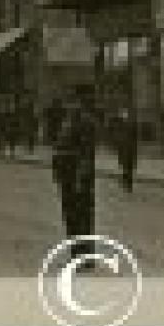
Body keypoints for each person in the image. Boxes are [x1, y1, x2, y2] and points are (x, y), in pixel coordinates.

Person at [51, 88, 100, 261]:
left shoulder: (85, 123)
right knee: (71, 216)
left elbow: (87, 154)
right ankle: (76, 253)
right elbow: (60, 149)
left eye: (73, 102)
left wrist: (81, 177)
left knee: (82, 217)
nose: (70, 105)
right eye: (69, 102)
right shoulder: (68, 122)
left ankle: (85, 256)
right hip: (67, 176)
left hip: (79, 177)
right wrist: (57, 171)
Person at [112, 104, 140, 193]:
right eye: (122, 113)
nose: (124, 114)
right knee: (125, 167)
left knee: (129, 168)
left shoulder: (132, 125)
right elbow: (117, 137)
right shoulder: (119, 125)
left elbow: (135, 138)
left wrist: (135, 151)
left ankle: (129, 185)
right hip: (123, 149)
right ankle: (125, 183)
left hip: (130, 149)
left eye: (125, 113)